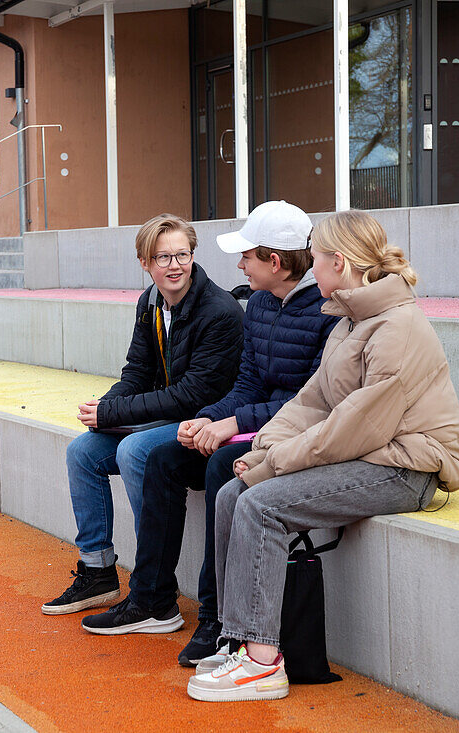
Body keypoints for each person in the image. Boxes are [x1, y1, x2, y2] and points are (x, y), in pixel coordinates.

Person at [187, 210, 459, 702]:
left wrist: (274, 463)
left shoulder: (395, 326)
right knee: (234, 493)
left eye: (315, 259)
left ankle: (261, 662)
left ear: (340, 262)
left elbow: (354, 426)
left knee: (262, 503)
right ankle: (237, 638)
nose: (310, 268)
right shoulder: (350, 319)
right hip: (371, 453)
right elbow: (312, 402)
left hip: (408, 466)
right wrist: (265, 445)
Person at [79, 201, 337, 666]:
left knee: (220, 464)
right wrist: (208, 418)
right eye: (163, 257)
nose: (238, 265)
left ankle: (216, 618)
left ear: (274, 262)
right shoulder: (258, 303)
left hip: (293, 435)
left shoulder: (325, 313)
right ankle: (152, 598)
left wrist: (230, 424)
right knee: (161, 457)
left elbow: (308, 403)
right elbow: (247, 383)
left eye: (247, 257)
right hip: (251, 426)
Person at [42, 213, 244, 616]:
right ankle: (98, 573)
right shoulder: (150, 301)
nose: (174, 266)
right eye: (162, 257)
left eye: (182, 255)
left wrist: (114, 411)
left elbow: (192, 395)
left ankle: (151, 586)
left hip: (202, 420)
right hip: (169, 413)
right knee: (82, 452)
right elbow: (136, 371)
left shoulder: (219, 311)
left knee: (135, 450)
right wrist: (104, 408)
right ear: (145, 263)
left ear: (193, 255)